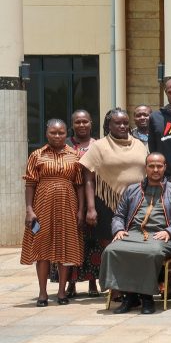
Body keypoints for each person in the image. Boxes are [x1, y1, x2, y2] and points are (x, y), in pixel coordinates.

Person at [99, 153, 171, 314]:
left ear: (165, 167)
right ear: (145, 168)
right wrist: (119, 229)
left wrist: (169, 231)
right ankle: (130, 296)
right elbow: (119, 215)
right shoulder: (132, 190)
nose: (155, 170)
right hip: (133, 234)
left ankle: (146, 297)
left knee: (151, 252)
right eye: (151, 166)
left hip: (161, 236)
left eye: (159, 166)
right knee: (112, 250)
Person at [79, 108, 149, 299]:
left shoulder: (140, 145)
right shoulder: (99, 146)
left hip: (137, 203)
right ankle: (115, 287)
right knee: (110, 247)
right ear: (108, 125)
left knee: (134, 245)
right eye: (117, 123)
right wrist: (91, 208)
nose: (122, 126)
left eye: (125, 122)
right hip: (107, 203)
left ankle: (133, 285)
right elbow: (88, 179)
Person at [22, 119, 83, 306]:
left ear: (67, 133)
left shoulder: (75, 155)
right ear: (46, 133)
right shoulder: (36, 155)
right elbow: (30, 184)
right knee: (42, 248)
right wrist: (29, 210)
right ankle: (42, 293)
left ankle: (62, 292)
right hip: (42, 206)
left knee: (66, 247)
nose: (57, 136)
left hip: (68, 205)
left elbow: (79, 185)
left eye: (61, 133)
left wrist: (81, 210)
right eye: (53, 133)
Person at [64, 109, 96, 296]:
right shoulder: (65, 144)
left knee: (92, 242)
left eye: (85, 121)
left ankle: (93, 282)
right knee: (71, 242)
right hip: (69, 198)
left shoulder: (98, 145)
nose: (82, 125)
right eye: (78, 122)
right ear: (72, 124)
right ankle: (71, 283)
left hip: (94, 197)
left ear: (91, 123)